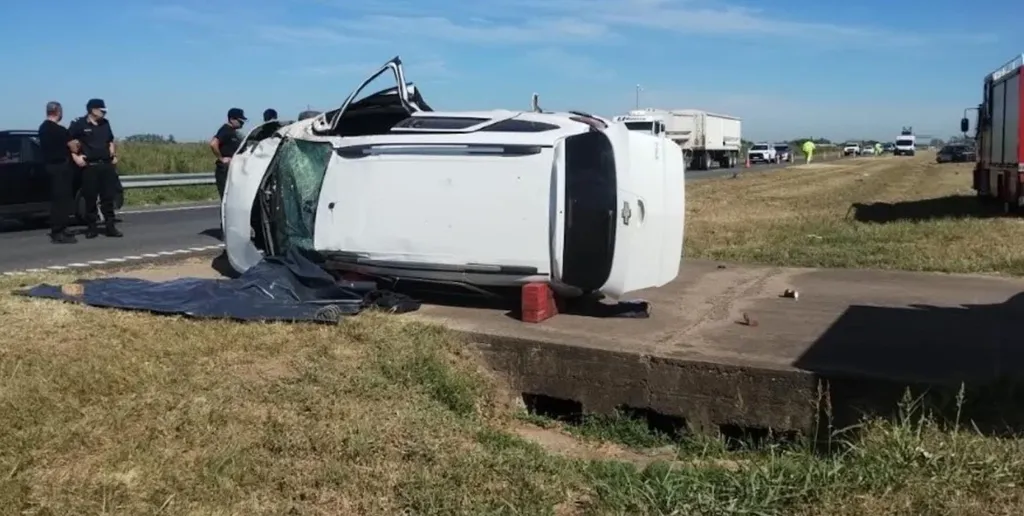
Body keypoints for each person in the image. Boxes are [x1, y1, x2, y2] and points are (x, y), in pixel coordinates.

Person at [69, 98, 122, 238]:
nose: (104, 113)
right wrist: (76, 157)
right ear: (93, 110)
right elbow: (69, 142)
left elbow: (110, 140)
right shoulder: (78, 124)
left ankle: (110, 227)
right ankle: (91, 227)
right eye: (102, 110)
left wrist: (113, 155)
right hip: (89, 166)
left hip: (105, 165)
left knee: (108, 198)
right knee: (90, 198)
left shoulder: (105, 124)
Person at [38, 101, 77, 244]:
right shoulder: (60, 130)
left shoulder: (42, 129)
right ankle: (58, 230)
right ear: (58, 112)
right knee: (62, 200)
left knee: (58, 199)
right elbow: (73, 148)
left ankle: (61, 227)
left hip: (50, 166)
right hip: (61, 167)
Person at [210, 108, 246, 199]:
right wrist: (221, 159)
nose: (242, 124)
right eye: (240, 121)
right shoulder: (225, 129)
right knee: (226, 198)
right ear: (232, 119)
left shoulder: (233, 132)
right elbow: (213, 143)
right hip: (224, 169)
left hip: (232, 168)